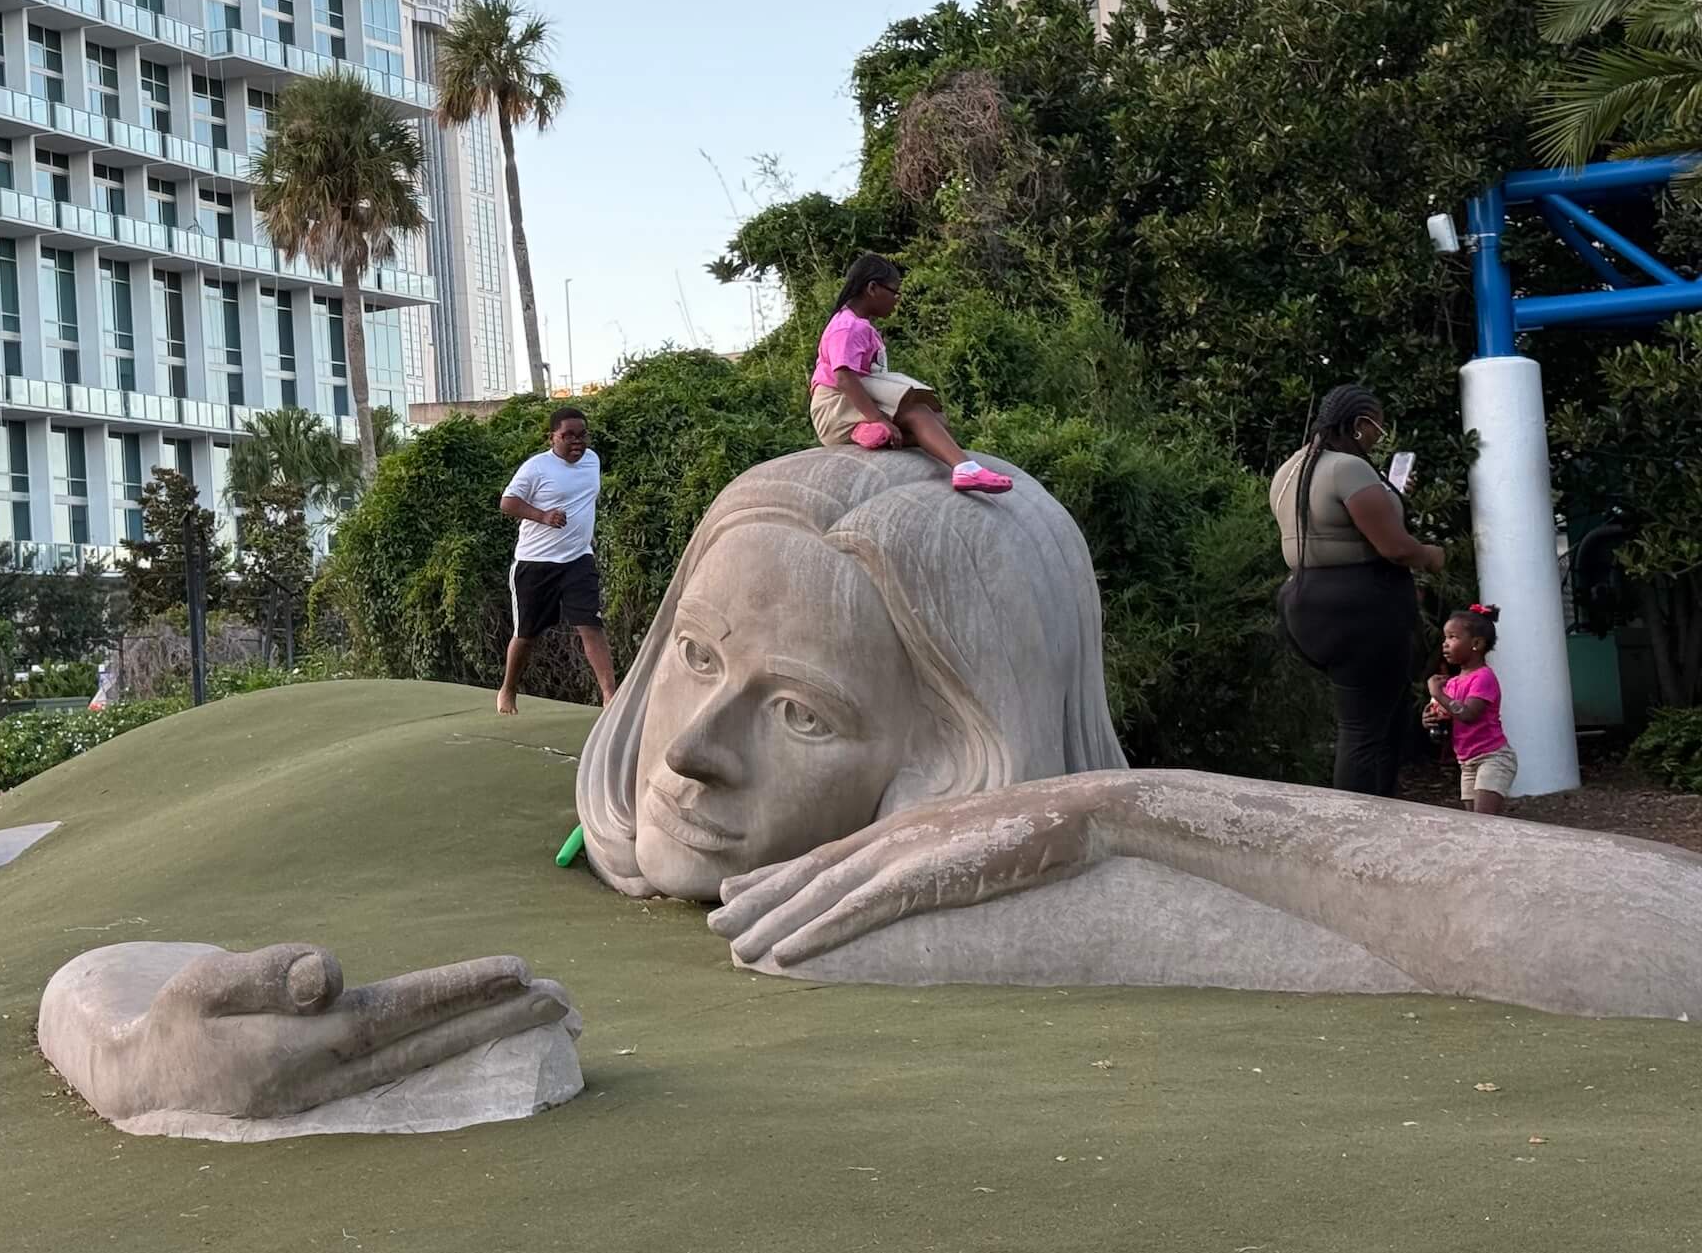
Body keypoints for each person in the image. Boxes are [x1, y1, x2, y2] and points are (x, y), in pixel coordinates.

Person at [570, 446, 1702, 1022]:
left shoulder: (904, 905)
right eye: (699, 658)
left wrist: (1113, 816)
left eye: (799, 712)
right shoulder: (844, 913)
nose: (687, 753)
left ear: (958, 757)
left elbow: (1667, 946)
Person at [1269, 384, 1445, 796]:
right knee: (1365, 732)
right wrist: (1434, 555)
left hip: (1304, 602)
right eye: (1378, 429)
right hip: (1360, 608)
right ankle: (1360, 829)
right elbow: (1395, 548)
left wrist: (1393, 495)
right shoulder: (1348, 468)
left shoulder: (1292, 468)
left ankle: (1380, 817)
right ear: (1360, 425)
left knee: (1376, 720)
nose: (1379, 437)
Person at [809, 254, 1012, 494]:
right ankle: (965, 468)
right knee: (917, 414)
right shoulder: (847, 326)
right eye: (894, 292)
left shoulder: (864, 327)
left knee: (940, 423)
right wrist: (877, 417)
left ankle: (874, 436)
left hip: (851, 402)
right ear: (872, 288)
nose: (897, 300)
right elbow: (844, 377)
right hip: (835, 406)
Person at [497, 406, 615, 715]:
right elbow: (507, 503)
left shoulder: (592, 461)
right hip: (535, 564)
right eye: (568, 436)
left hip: (578, 559)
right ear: (553, 437)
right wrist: (543, 516)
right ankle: (508, 690)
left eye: (582, 435)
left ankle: (610, 696)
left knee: (591, 625)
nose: (577, 442)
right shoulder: (536, 468)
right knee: (526, 635)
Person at [1425, 605, 1513, 815]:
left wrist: (1439, 695)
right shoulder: (1453, 682)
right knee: (1473, 824)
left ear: (1476, 643)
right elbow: (1449, 713)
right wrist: (1429, 717)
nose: (1445, 644)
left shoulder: (1483, 677)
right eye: (1445, 637)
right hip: (1466, 762)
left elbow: (1468, 715)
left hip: (1492, 758)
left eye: (1453, 637)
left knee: (1483, 821)